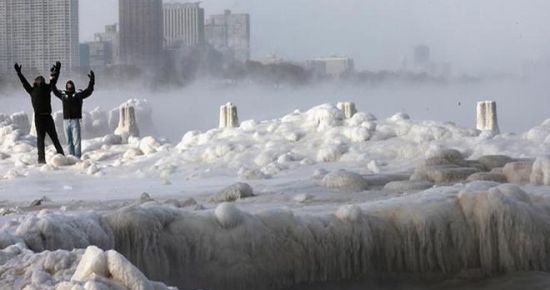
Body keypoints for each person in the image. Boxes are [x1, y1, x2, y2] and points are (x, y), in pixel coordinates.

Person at [14, 62, 64, 164]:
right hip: (39, 118)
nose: (41, 79)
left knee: (54, 138)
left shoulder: (47, 88)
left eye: (42, 78)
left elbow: (54, 82)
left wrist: (58, 69)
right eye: (39, 79)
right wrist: (19, 73)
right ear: (35, 82)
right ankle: (41, 160)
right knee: (40, 140)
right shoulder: (31, 90)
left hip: (48, 117)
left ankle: (62, 156)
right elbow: (24, 83)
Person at [52, 70, 95, 158]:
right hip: (66, 121)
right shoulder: (63, 95)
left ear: (73, 86)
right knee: (68, 141)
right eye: (68, 85)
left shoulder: (78, 94)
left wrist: (92, 81)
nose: (69, 86)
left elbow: (89, 91)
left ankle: (77, 157)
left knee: (76, 141)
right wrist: (53, 76)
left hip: (75, 120)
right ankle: (71, 157)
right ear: (66, 86)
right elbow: (54, 89)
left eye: (70, 85)